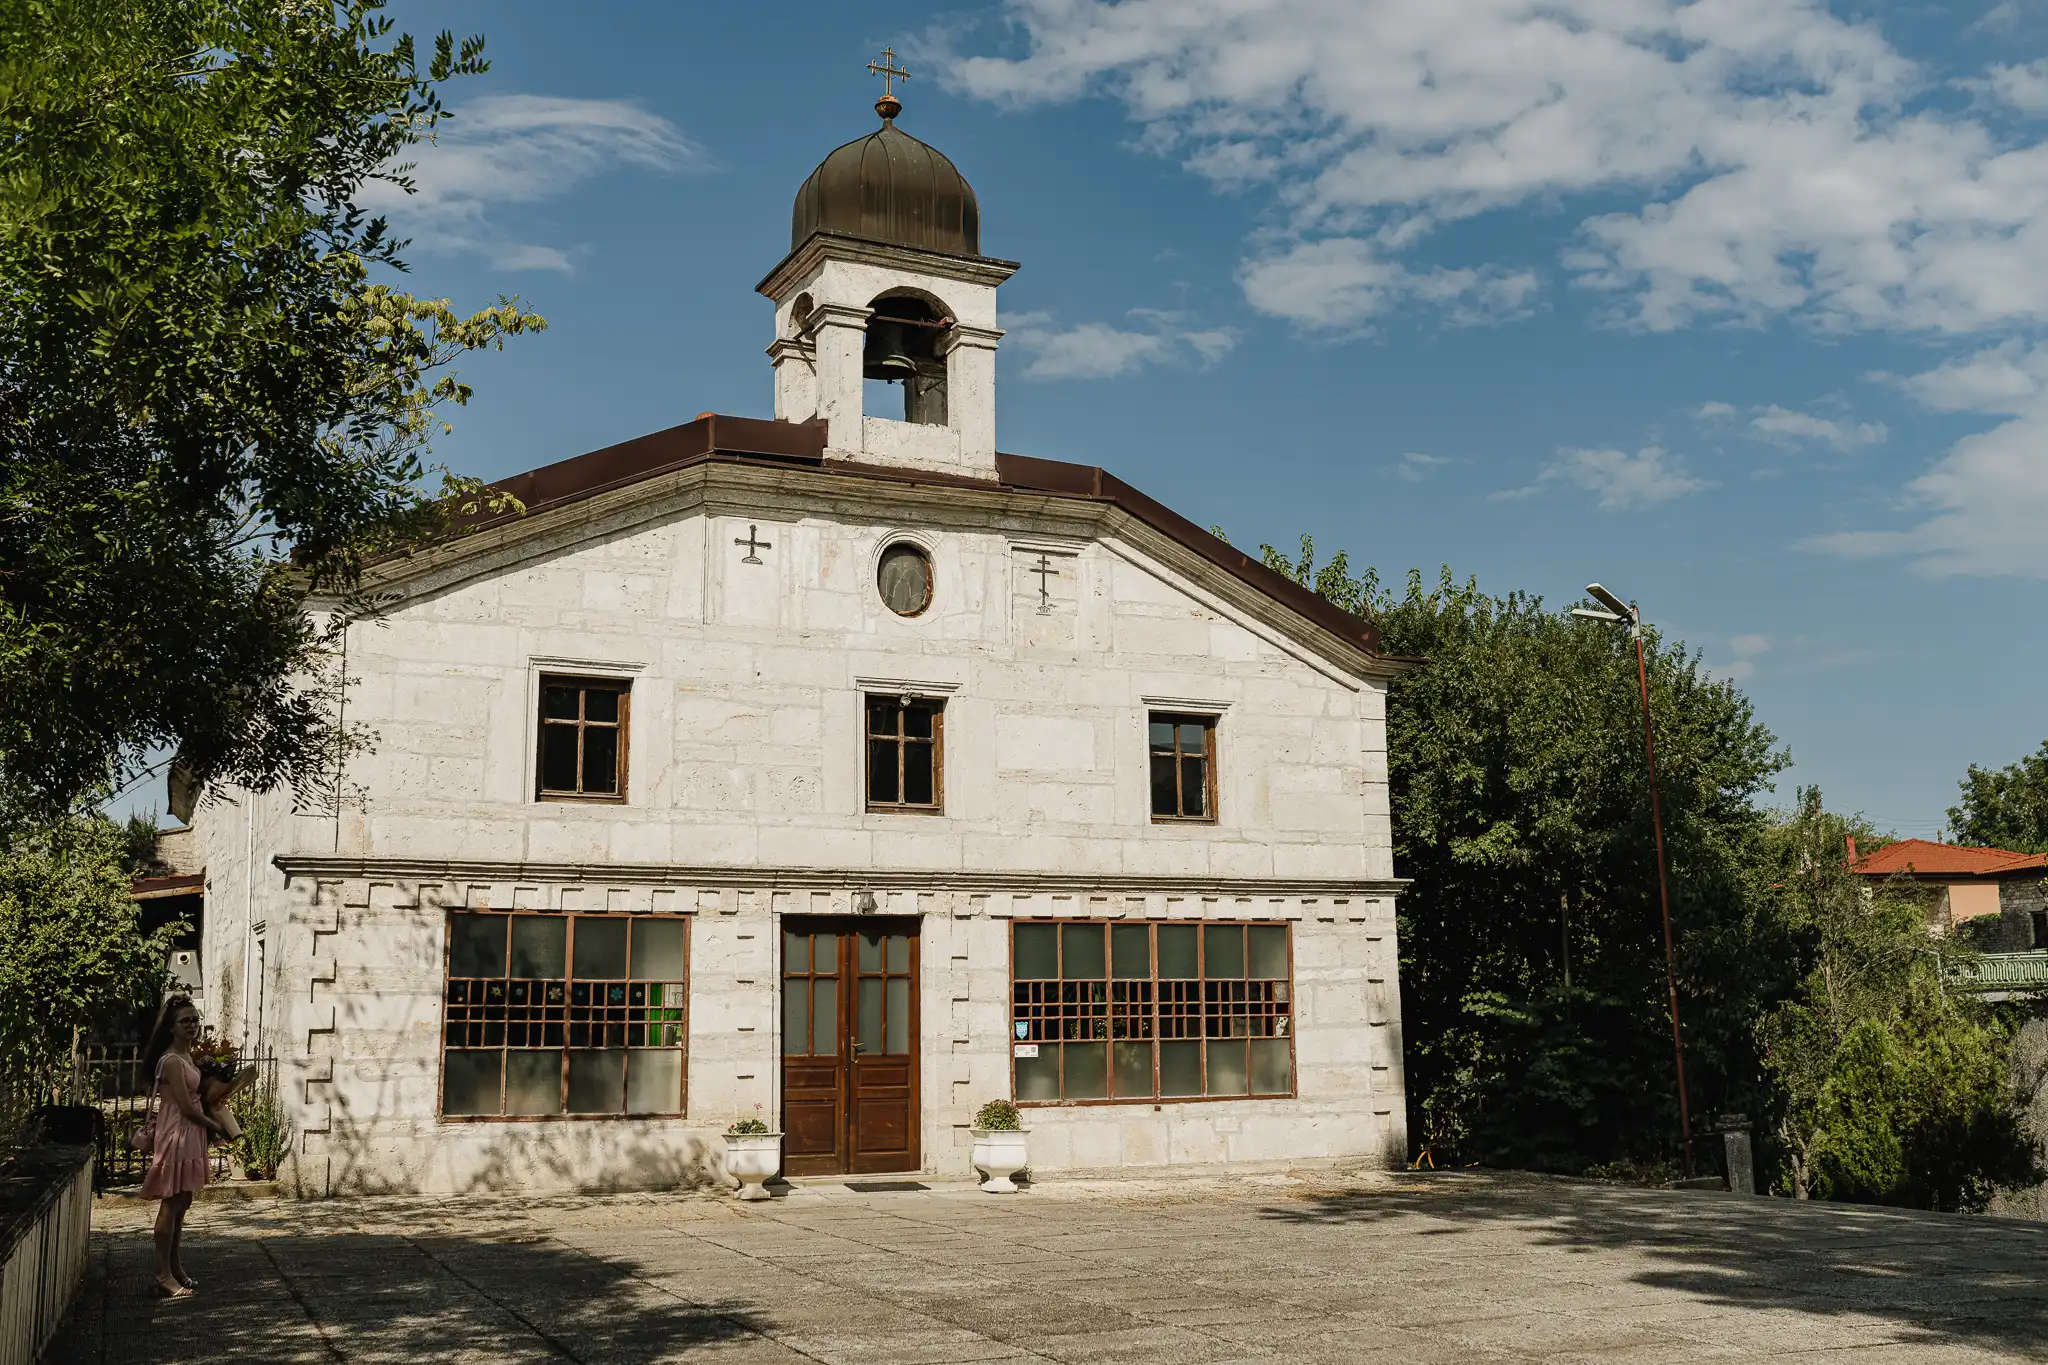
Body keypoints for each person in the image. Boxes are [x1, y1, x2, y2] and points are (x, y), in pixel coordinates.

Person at [139, 993, 227, 1298]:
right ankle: (161, 1274)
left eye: (194, 1020)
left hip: (190, 1133)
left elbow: (194, 1099)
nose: (191, 1025)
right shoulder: (172, 1061)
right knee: (172, 1202)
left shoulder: (187, 1057)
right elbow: (186, 1108)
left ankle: (175, 1267)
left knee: (183, 1202)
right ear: (171, 1026)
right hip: (176, 1132)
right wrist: (215, 1126)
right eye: (184, 1021)